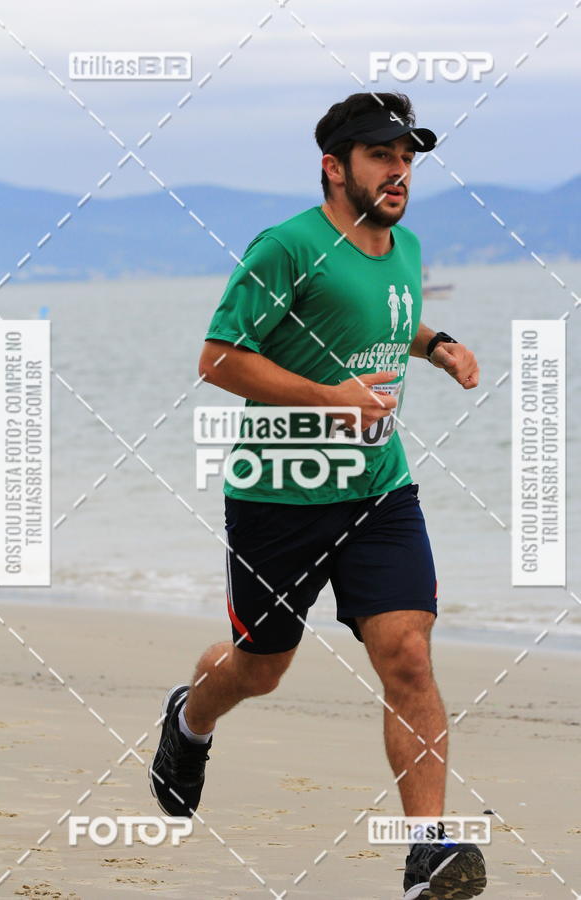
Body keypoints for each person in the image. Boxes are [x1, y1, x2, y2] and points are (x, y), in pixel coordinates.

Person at [150, 91, 485, 899]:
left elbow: (378, 317)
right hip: (280, 497)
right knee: (260, 669)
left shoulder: (403, 247)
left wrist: (437, 343)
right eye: (381, 155)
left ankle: (428, 852)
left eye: (406, 157)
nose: (399, 171)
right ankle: (190, 719)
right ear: (335, 167)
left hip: (379, 492)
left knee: (408, 655)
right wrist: (330, 398)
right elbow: (219, 358)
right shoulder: (288, 248)